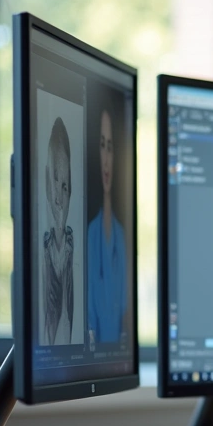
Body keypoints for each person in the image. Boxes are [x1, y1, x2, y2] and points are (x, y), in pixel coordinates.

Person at [87, 100, 128, 347]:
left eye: (110, 147)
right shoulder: (90, 234)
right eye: (102, 146)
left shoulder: (120, 236)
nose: (106, 159)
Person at [42, 116, 74, 347]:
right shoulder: (45, 248)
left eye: (64, 186)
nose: (59, 198)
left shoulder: (71, 247)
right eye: (54, 182)